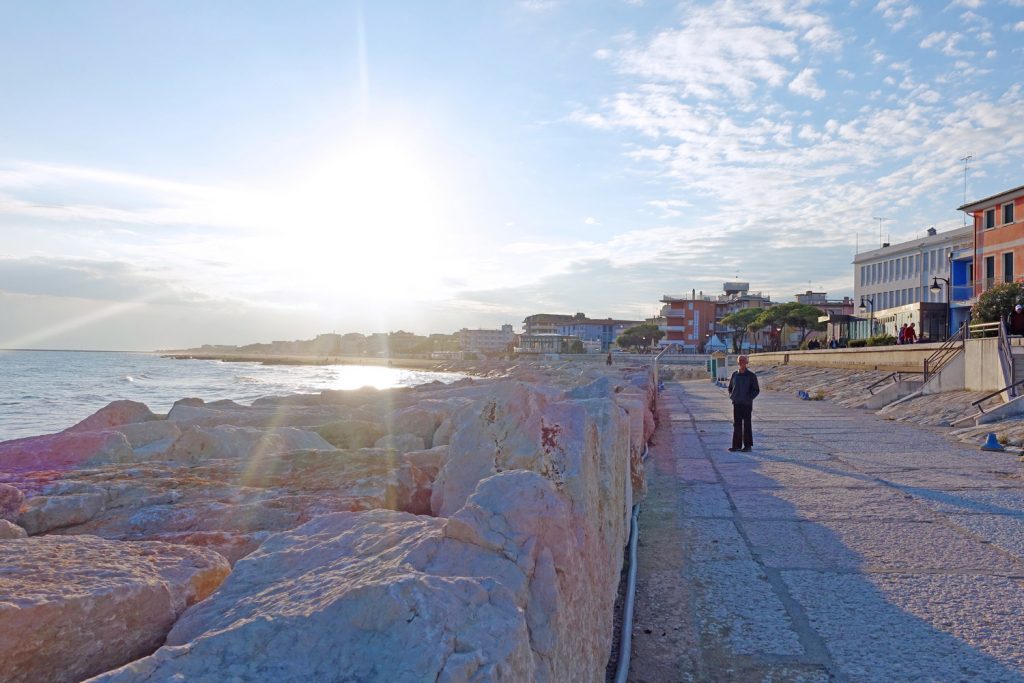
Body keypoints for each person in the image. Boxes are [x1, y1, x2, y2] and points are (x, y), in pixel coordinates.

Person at [727, 355, 759, 453]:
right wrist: (732, 396)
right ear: (738, 362)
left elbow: (756, 390)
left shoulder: (751, 375)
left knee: (747, 425)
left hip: (747, 404)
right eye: (740, 361)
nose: (742, 362)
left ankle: (748, 446)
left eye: (743, 361)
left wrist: (749, 398)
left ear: (746, 362)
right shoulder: (734, 374)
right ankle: (736, 445)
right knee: (737, 424)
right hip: (736, 403)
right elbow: (730, 388)